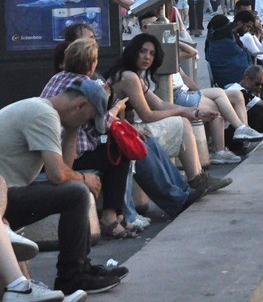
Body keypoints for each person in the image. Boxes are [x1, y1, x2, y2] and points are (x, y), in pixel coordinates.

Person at [0, 79, 126, 295]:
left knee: (75, 189)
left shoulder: (43, 110)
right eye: (87, 118)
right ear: (80, 105)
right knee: (76, 192)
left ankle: (81, 268)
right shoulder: (42, 113)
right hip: (3, 195)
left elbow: (64, 172)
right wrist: (85, 180)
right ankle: (72, 276)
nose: (85, 123)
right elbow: (58, 174)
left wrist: (72, 130)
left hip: (7, 194)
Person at [106, 34, 231, 196]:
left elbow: (159, 104)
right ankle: (197, 179)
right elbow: (147, 115)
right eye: (143, 51)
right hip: (118, 135)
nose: (147, 57)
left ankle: (197, 178)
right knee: (182, 124)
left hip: (124, 131)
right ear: (132, 52)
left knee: (182, 121)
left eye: (151, 53)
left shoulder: (134, 76)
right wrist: (184, 113)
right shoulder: (128, 77)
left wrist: (194, 112)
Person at [42, 39, 134, 240]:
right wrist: (117, 109)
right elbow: (102, 125)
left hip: (47, 150)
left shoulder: (55, 79)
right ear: (92, 64)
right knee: (119, 152)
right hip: (70, 153)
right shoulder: (90, 87)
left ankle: (118, 213)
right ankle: (110, 216)